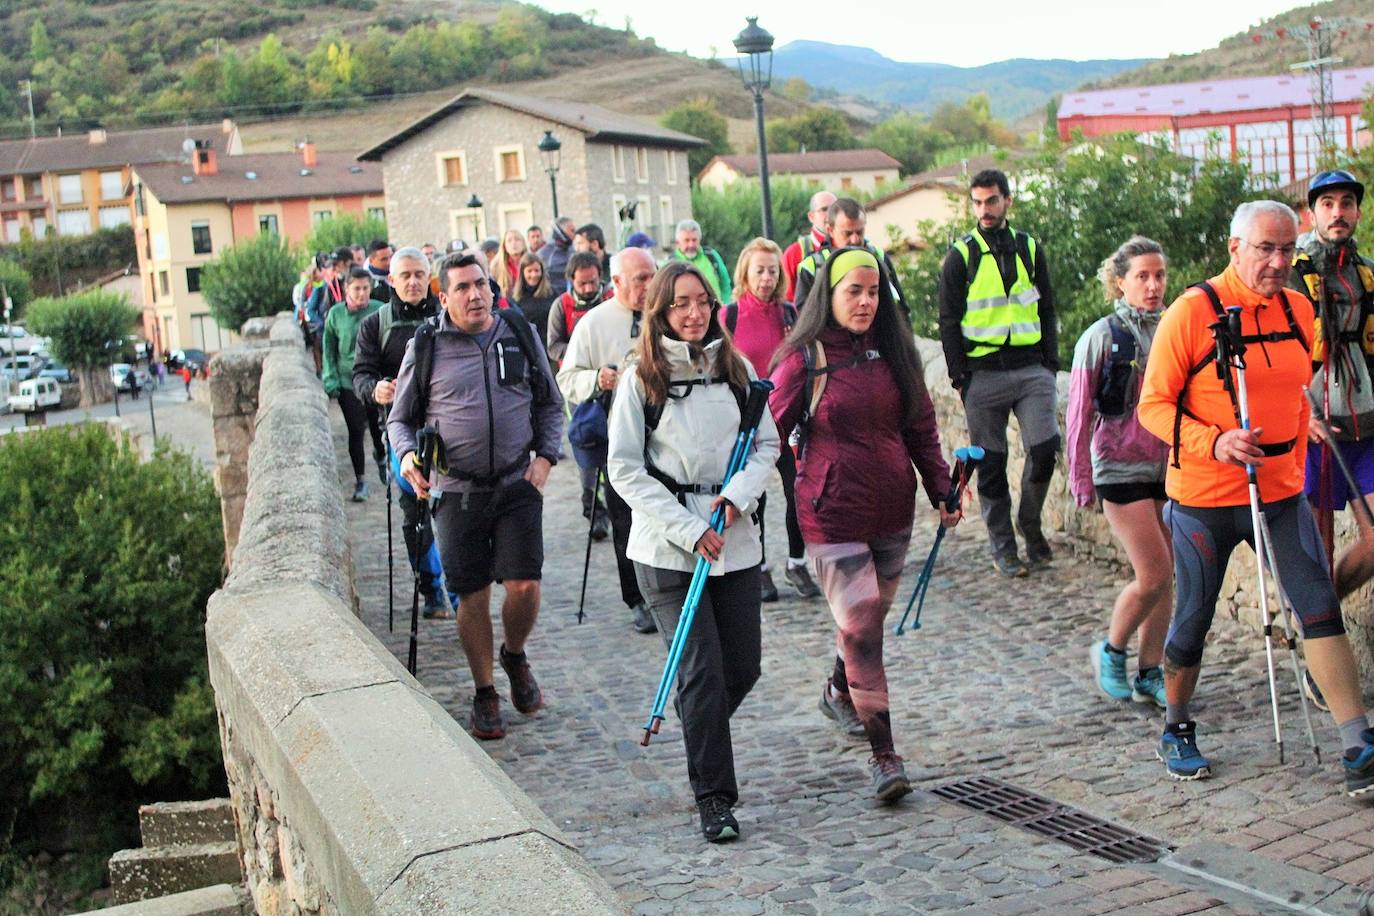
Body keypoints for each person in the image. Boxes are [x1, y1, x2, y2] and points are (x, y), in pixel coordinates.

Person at [1137, 200, 1374, 795]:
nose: (1276, 262)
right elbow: (1153, 406)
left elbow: (1298, 385)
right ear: (1234, 248)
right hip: (1204, 495)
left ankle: (1356, 741)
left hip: (1279, 492)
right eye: (1264, 249)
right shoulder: (1192, 312)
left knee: (1318, 604)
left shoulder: (1298, 309)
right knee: (1192, 619)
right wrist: (1213, 442)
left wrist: (1306, 423)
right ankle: (1175, 726)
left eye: (1286, 250)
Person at [770, 247, 957, 802]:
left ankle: (838, 687)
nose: (865, 302)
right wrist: (739, 501)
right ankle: (884, 756)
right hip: (831, 514)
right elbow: (766, 437)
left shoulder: (895, 351)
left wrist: (941, 486)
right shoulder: (803, 359)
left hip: (893, 510)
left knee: (864, 625)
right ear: (829, 294)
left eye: (873, 292)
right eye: (854, 291)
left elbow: (922, 428)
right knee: (864, 631)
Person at [606, 259, 780, 842]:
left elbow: (766, 445)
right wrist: (687, 527)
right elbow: (625, 469)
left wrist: (733, 499)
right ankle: (715, 799)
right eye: (680, 303)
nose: (693, 312)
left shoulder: (737, 368)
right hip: (667, 551)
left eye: (702, 301)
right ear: (660, 309)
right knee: (702, 672)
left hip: (734, 540)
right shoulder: (641, 379)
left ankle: (698, 729)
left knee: (743, 667)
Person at [390, 251, 564, 741]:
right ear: (443, 298)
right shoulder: (426, 346)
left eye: (481, 284)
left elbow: (551, 403)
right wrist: (406, 457)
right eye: (463, 288)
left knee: (525, 584)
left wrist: (546, 457)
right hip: (457, 491)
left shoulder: (518, 332)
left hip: (516, 482)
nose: (475, 295)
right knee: (472, 595)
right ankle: (485, 690)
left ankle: (514, 653)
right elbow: (400, 419)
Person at [937, 168, 1059, 578]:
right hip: (982, 373)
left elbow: (1045, 306)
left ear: (1008, 201)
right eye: (977, 202)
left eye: (991, 200)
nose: (984, 209)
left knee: (1044, 449)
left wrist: (1050, 362)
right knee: (990, 464)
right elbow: (948, 319)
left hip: (1030, 368)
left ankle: (1030, 521)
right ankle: (1004, 547)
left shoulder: (1029, 248)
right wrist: (960, 377)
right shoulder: (961, 255)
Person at [1067, 237, 1172, 708]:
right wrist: (1080, 477)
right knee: (1155, 572)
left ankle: (1151, 672)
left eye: (1159, 276)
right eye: (1142, 277)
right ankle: (1111, 650)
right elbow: (1078, 412)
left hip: (1169, 464)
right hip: (1118, 464)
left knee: (1167, 577)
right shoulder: (1102, 336)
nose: (1153, 286)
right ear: (1120, 281)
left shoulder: (1175, 327)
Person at [560, 247, 659, 633]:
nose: (650, 285)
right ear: (615, 282)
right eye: (641, 279)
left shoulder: (668, 312)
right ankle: (636, 597)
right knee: (626, 520)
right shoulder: (594, 322)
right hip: (620, 437)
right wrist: (595, 378)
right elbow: (566, 380)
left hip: (668, 433)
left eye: (653, 275)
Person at [353, 247, 453, 620]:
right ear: (391, 281)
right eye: (405, 276)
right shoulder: (375, 325)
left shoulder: (448, 316)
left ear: (429, 278)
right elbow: (360, 374)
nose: (412, 282)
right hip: (402, 433)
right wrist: (375, 389)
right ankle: (432, 588)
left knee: (456, 505)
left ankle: (461, 586)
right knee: (416, 509)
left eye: (419, 275)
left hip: (449, 427)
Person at [1291, 170, 1374, 601]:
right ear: (1312, 214)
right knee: (1317, 552)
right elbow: (1273, 357)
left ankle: (1322, 619)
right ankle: (1322, 649)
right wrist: (1299, 417)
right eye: (1327, 204)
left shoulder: (1367, 275)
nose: (1338, 212)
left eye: (1346, 203)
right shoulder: (1290, 276)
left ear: (1358, 212)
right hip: (1314, 427)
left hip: (1366, 424)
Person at [726, 237, 817, 602]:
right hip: (747, 422)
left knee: (799, 492)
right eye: (759, 270)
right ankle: (759, 569)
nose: (766, 278)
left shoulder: (791, 314)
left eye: (772, 270)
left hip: (788, 419)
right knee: (755, 499)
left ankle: (797, 563)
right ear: (745, 273)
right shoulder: (729, 316)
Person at [547, 251, 615, 539]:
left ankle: (617, 503)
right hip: (580, 389)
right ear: (571, 281)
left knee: (617, 446)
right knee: (588, 445)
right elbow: (553, 345)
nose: (589, 288)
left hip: (613, 383)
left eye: (592, 281)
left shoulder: (612, 299)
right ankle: (593, 508)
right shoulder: (561, 307)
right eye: (583, 283)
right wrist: (579, 355)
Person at [324, 267, 386, 502]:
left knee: (376, 425)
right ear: (347, 288)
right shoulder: (336, 314)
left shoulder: (380, 310)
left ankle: (381, 457)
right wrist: (330, 378)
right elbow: (328, 348)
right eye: (357, 289)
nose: (361, 293)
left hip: (373, 380)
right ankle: (361, 480)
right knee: (355, 431)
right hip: (347, 381)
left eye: (365, 288)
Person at [793, 197, 908, 317]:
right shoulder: (813, 266)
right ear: (830, 230)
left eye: (859, 232)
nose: (855, 239)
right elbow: (804, 316)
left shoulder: (879, 257)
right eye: (847, 234)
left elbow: (900, 309)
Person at [782, 189, 836, 302]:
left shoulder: (851, 245)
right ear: (811, 216)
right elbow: (787, 300)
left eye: (835, 209)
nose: (830, 214)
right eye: (824, 209)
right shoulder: (794, 253)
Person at [670, 220, 732, 302]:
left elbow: (725, 283)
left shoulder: (711, 256)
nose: (691, 245)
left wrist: (726, 305)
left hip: (716, 312)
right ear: (678, 243)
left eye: (694, 240)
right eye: (687, 240)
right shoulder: (671, 264)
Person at [512, 252, 556, 341]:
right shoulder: (516, 298)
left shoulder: (552, 293)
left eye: (536, 270)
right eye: (529, 271)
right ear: (522, 273)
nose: (534, 275)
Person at [538, 218, 577, 296]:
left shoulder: (574, 249)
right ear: (560, 232)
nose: (575, 234)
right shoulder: (544, 254)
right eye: (572, 231)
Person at [492, 228, 528, 296]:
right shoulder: (496, 266)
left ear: (523, 243)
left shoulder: (531, 262)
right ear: (504, 246)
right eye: (509, 240)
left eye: (517, 239)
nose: (513, 243)